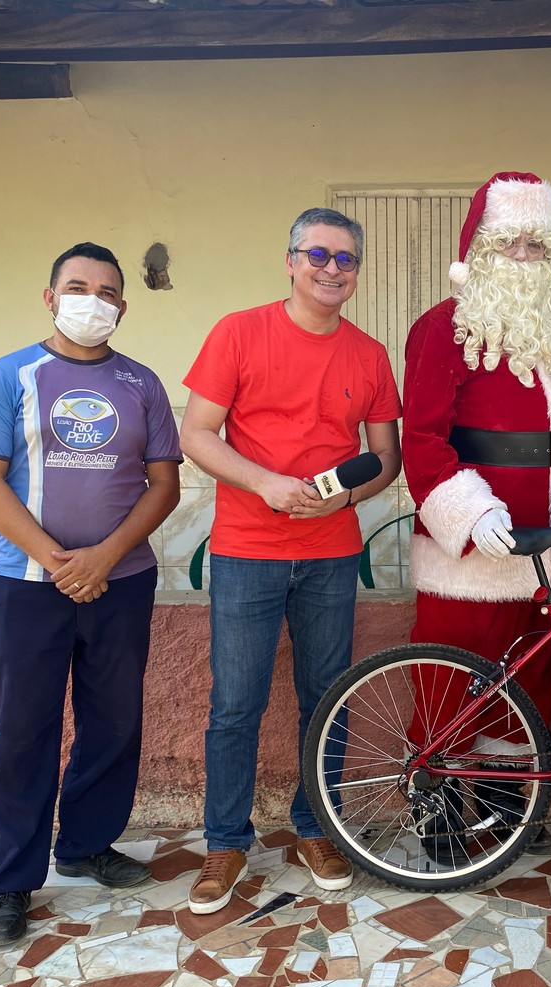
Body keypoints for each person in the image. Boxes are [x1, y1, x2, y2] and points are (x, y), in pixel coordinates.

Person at [180, 208, 402, 911]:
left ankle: (317, 828)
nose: (332, 268)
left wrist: (343, 499)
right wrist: (266, 484)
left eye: (346, 259)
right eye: (318, 254)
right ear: (291, 261)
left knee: (326, 699)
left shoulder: (369, 355)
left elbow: (386, 457)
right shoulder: (238, 332)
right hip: (247, 550)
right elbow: (197, 433)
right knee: (235, 705)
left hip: (331, 553)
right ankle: (225, 842)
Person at [0, 241, 182, 947]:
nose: (94, 301)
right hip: (29, 586)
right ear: (50, 297)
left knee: (113, 722)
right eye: (79, 287)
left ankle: (87, 845)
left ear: (123, 306)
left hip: (122, 582)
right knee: (22, 731)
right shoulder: (11, 375)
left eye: (108, 291)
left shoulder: (141, 383)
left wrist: (105, 557)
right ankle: (10, 882)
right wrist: (55, 560)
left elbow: (164, 484)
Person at [402, 172, 551, 858]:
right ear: (479, 248)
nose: (524, 257)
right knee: (451, 681)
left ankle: (511, 811)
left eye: (537, 245)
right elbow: (422, 440)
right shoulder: (439, 328)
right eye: (510, 243)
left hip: (545, 548)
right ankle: (441, 813)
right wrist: (472, 513)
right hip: (471, 550)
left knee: (529, 682)